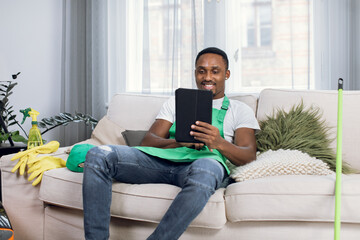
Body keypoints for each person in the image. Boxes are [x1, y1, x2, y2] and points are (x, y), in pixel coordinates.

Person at [82, 47, 260, 240]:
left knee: (207, 168)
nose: (207, 77)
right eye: (201, 71)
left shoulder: (239, 110)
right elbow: (148, 141)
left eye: (215, 71)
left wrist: (218, 142)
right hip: (160, 163)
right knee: (99, 154)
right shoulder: (176, 102)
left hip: (203, 165)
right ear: (195, 73)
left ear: (226, 74)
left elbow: (248, 155)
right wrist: (178, 142)